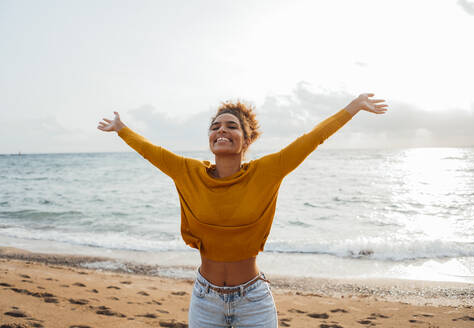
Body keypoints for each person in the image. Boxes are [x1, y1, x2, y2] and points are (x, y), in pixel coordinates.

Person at [97, 93, 388, 327]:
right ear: (210, 139)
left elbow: (312, 139)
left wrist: (353, 107)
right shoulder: (187, 172)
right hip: (205, 298)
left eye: (231, 126)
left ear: (246, 140)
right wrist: (121, 129)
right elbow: (150, 150)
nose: (222, 130)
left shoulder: (267, 172)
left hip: (253, 300)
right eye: (215, 127)